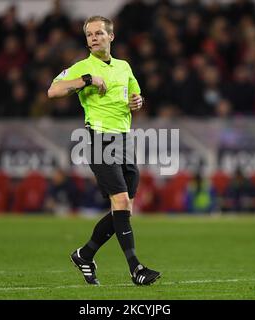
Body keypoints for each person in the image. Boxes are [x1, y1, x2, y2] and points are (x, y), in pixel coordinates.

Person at [47, 16, 160, 286]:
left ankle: (84, 255)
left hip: (124, 140)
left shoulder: (124, 67)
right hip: (99, 141)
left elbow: (135, 97)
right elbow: (53, 91)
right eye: (89, 34)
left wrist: (138, 101)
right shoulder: (83, 67)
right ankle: (136, 269)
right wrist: (86, 80)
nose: (94, 38)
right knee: (120, 203)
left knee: (123, 209)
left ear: (111, 36)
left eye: (99, 33)